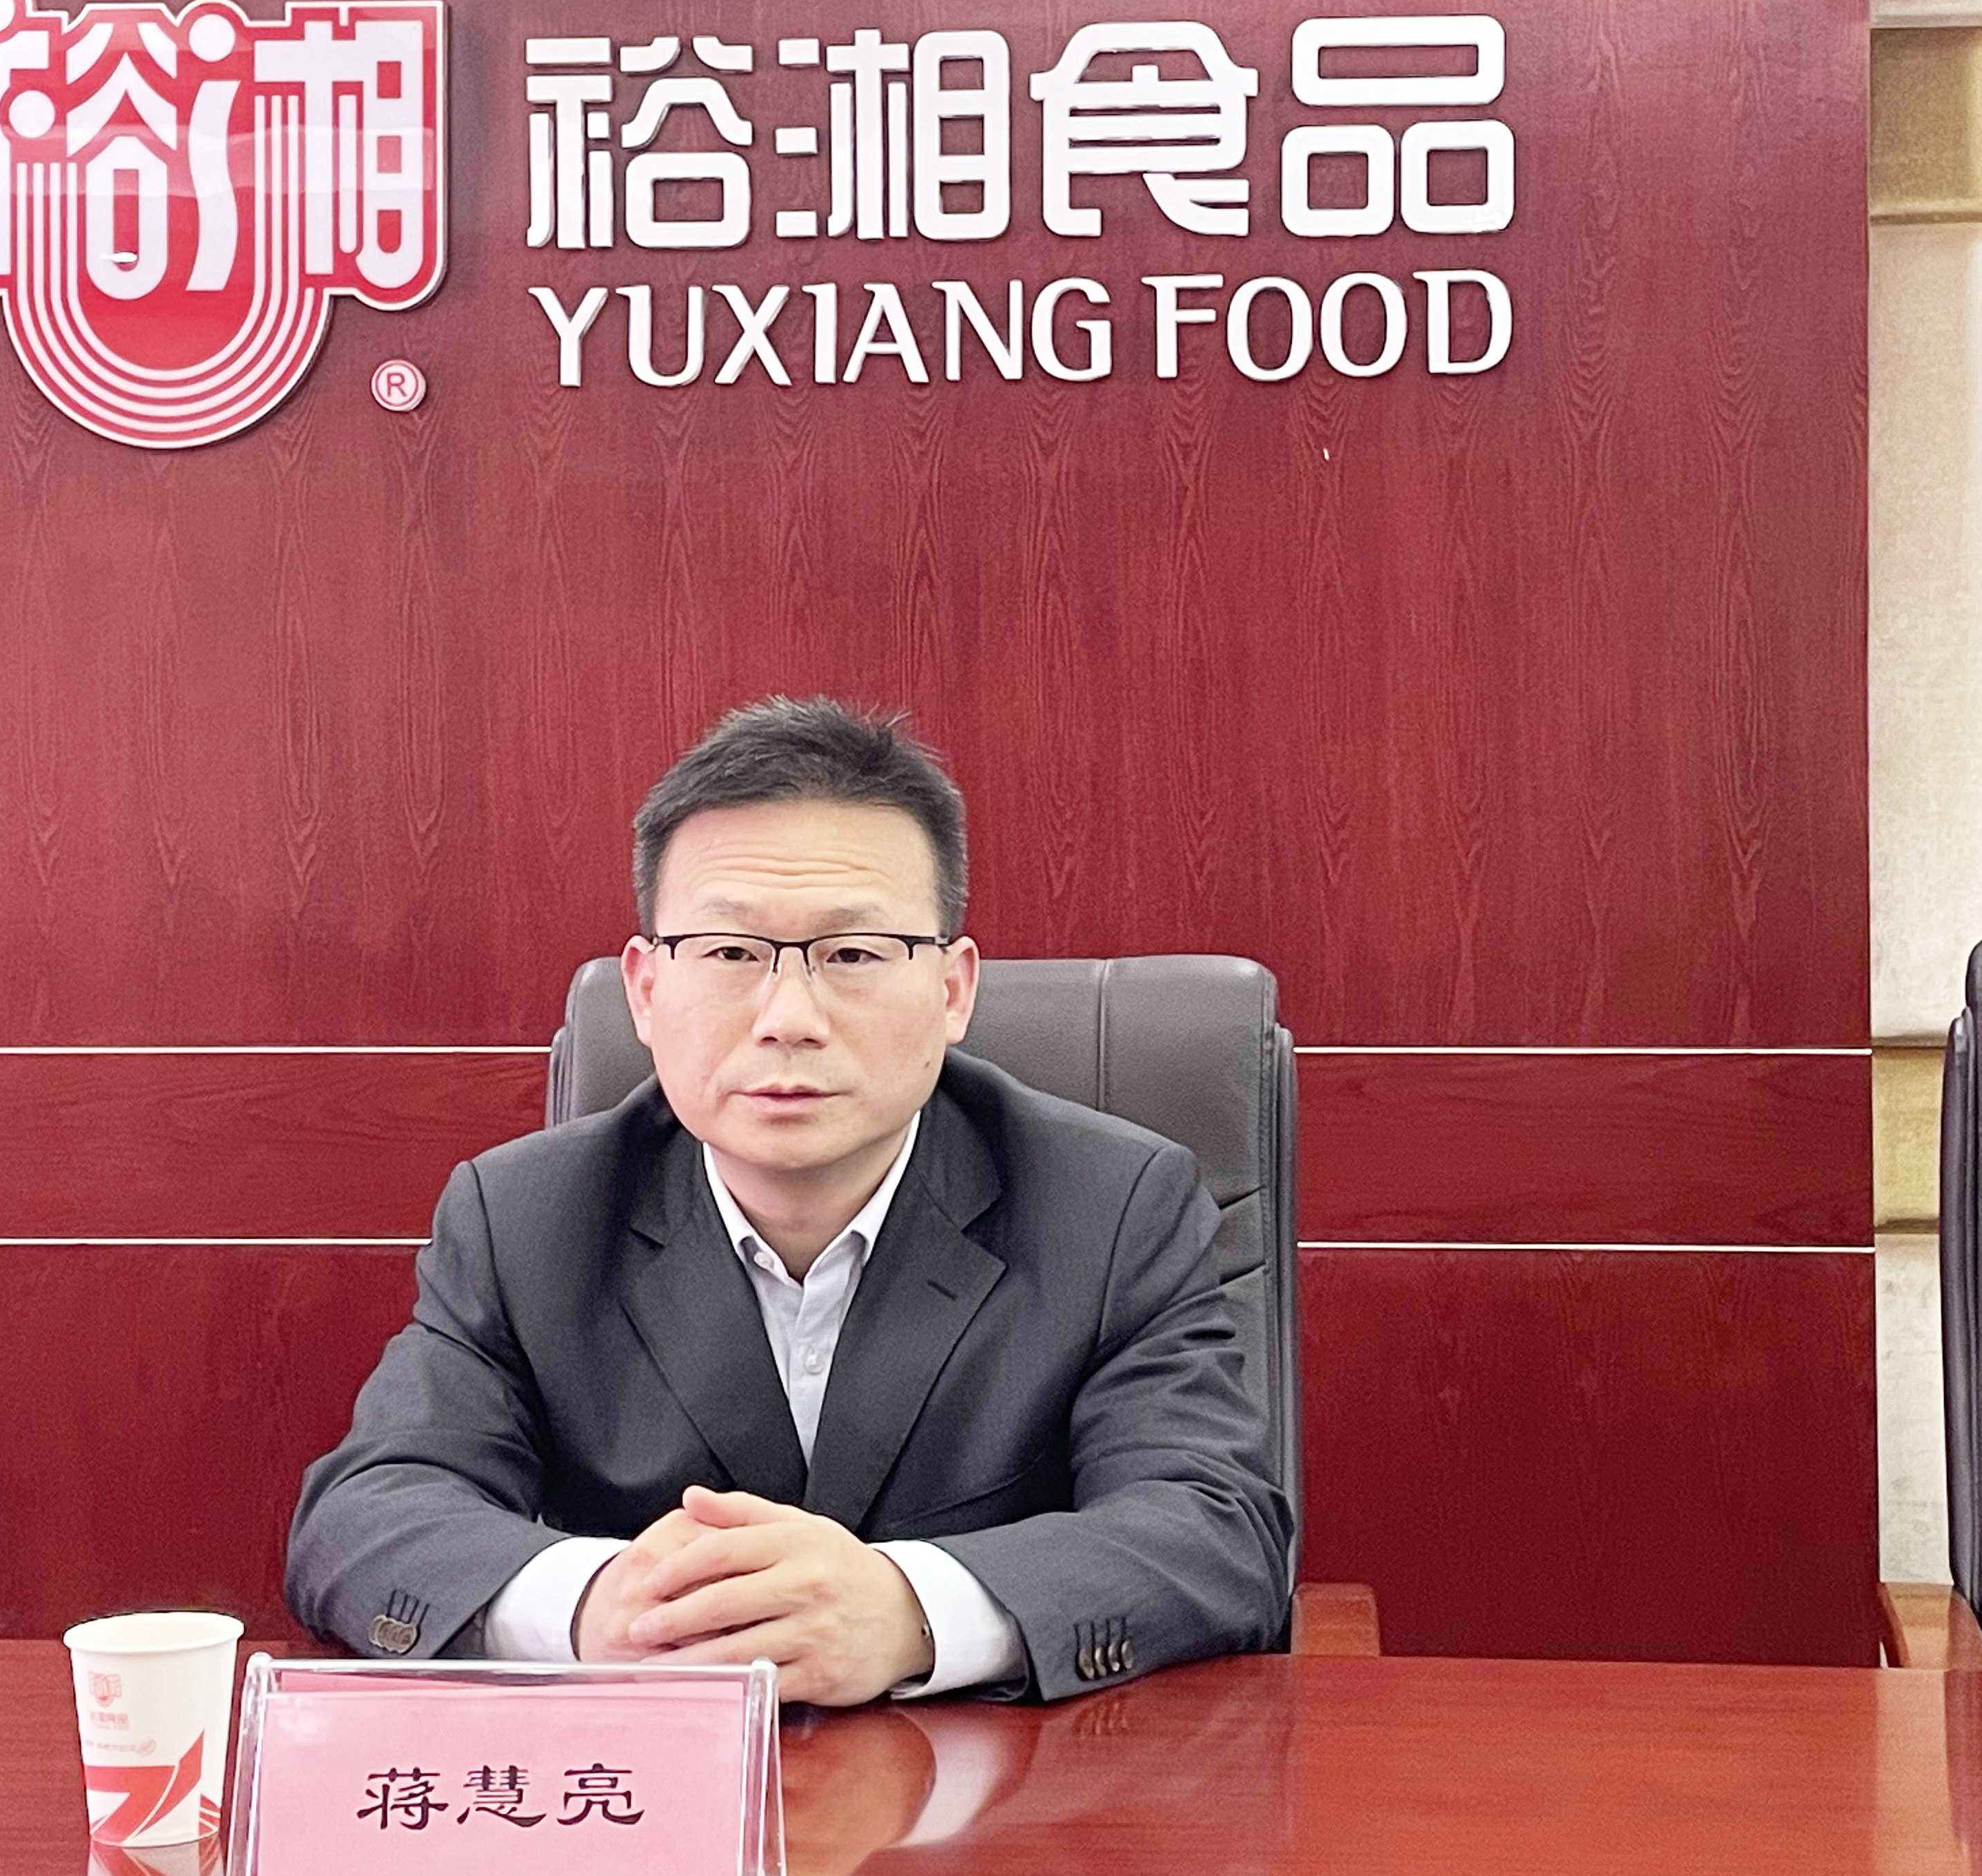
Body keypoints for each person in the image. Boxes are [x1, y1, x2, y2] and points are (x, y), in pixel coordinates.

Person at [285, 696, 1291, 1702]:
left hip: (1008, 1784)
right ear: (645, 991)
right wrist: (597, 1606)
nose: (789, 1017)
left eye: (853, 954)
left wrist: (909, 1610)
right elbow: (368, 1515)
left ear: (952, 991)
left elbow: (1215, 1527)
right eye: (731, 953)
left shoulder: (1110, 1209)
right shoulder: (524, 1218)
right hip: (654, 1781)